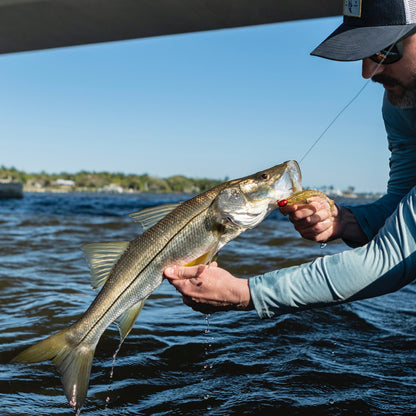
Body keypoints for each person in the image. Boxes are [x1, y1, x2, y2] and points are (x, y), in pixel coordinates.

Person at [164, 0, 416, 318]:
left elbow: (392, 258)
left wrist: (246, 293)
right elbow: (402, 202)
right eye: (363, 52)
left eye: (385, 50)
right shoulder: (401, 104)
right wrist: (344, 222)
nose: (368, 71)